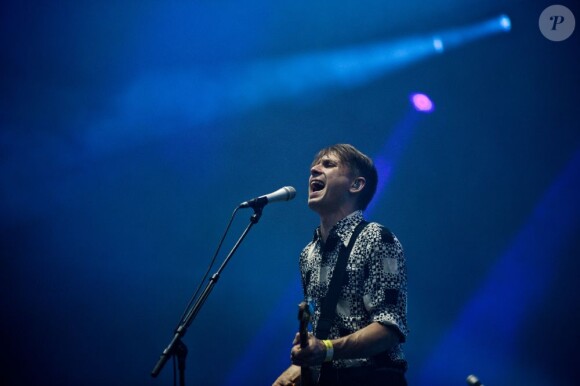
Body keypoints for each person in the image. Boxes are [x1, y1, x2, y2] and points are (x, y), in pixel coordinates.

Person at [273, 144, 408, 386]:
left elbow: (390, 327)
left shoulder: (377, 238)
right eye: (315, 165)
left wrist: (324, 349)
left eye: (328, 164)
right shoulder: (309, 254)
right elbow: (325, 333)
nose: (314, 169)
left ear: (356, 185)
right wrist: (298, 368)